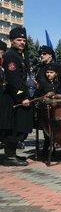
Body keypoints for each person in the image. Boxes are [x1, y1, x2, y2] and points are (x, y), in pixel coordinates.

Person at [0, 27, 34, 166]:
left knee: (19, 127)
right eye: (19, 40)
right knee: (13, 128)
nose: (22, 42)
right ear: (12, 41)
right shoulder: (10, 56)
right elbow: (13, 80)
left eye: (24, 40)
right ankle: (9, 156)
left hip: (17, 96)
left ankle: (12, 154)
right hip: (12, 98)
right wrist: (22, 97)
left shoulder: (19, 56)